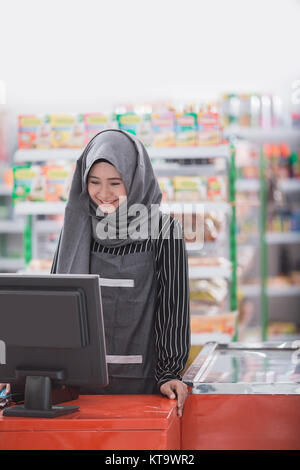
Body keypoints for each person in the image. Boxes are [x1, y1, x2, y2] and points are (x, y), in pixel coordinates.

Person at [51, 129, 190, 417]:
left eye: (116, 182)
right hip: (79, 391)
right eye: (94, 182)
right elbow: (55, 302)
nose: (104, 194)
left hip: (142, 389)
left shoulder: (164, 231)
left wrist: (170, 373)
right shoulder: (76, 228)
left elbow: (172, 307)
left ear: (135, 179)